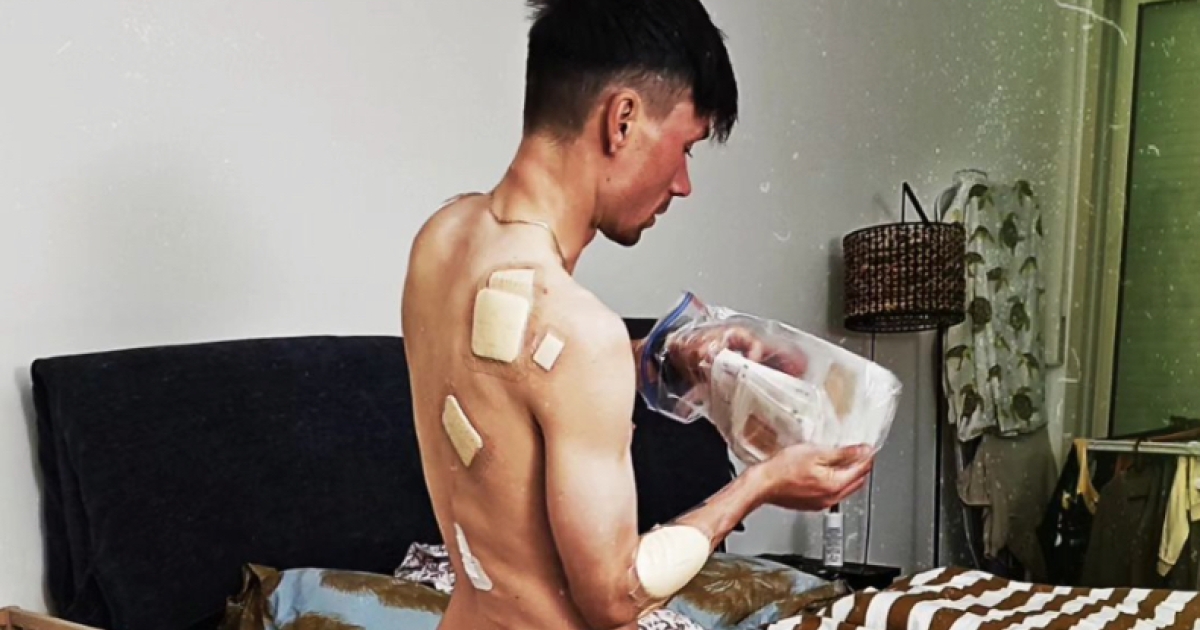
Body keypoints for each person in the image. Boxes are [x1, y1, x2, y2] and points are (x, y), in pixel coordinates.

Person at [400, 1, 877, 628]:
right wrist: (762, 483)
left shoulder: (442, 238)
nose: (683, 184)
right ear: (621, 120)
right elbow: (616, 595)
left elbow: (510, 388)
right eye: (685, 147)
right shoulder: (577, 329)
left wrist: (668, 355)